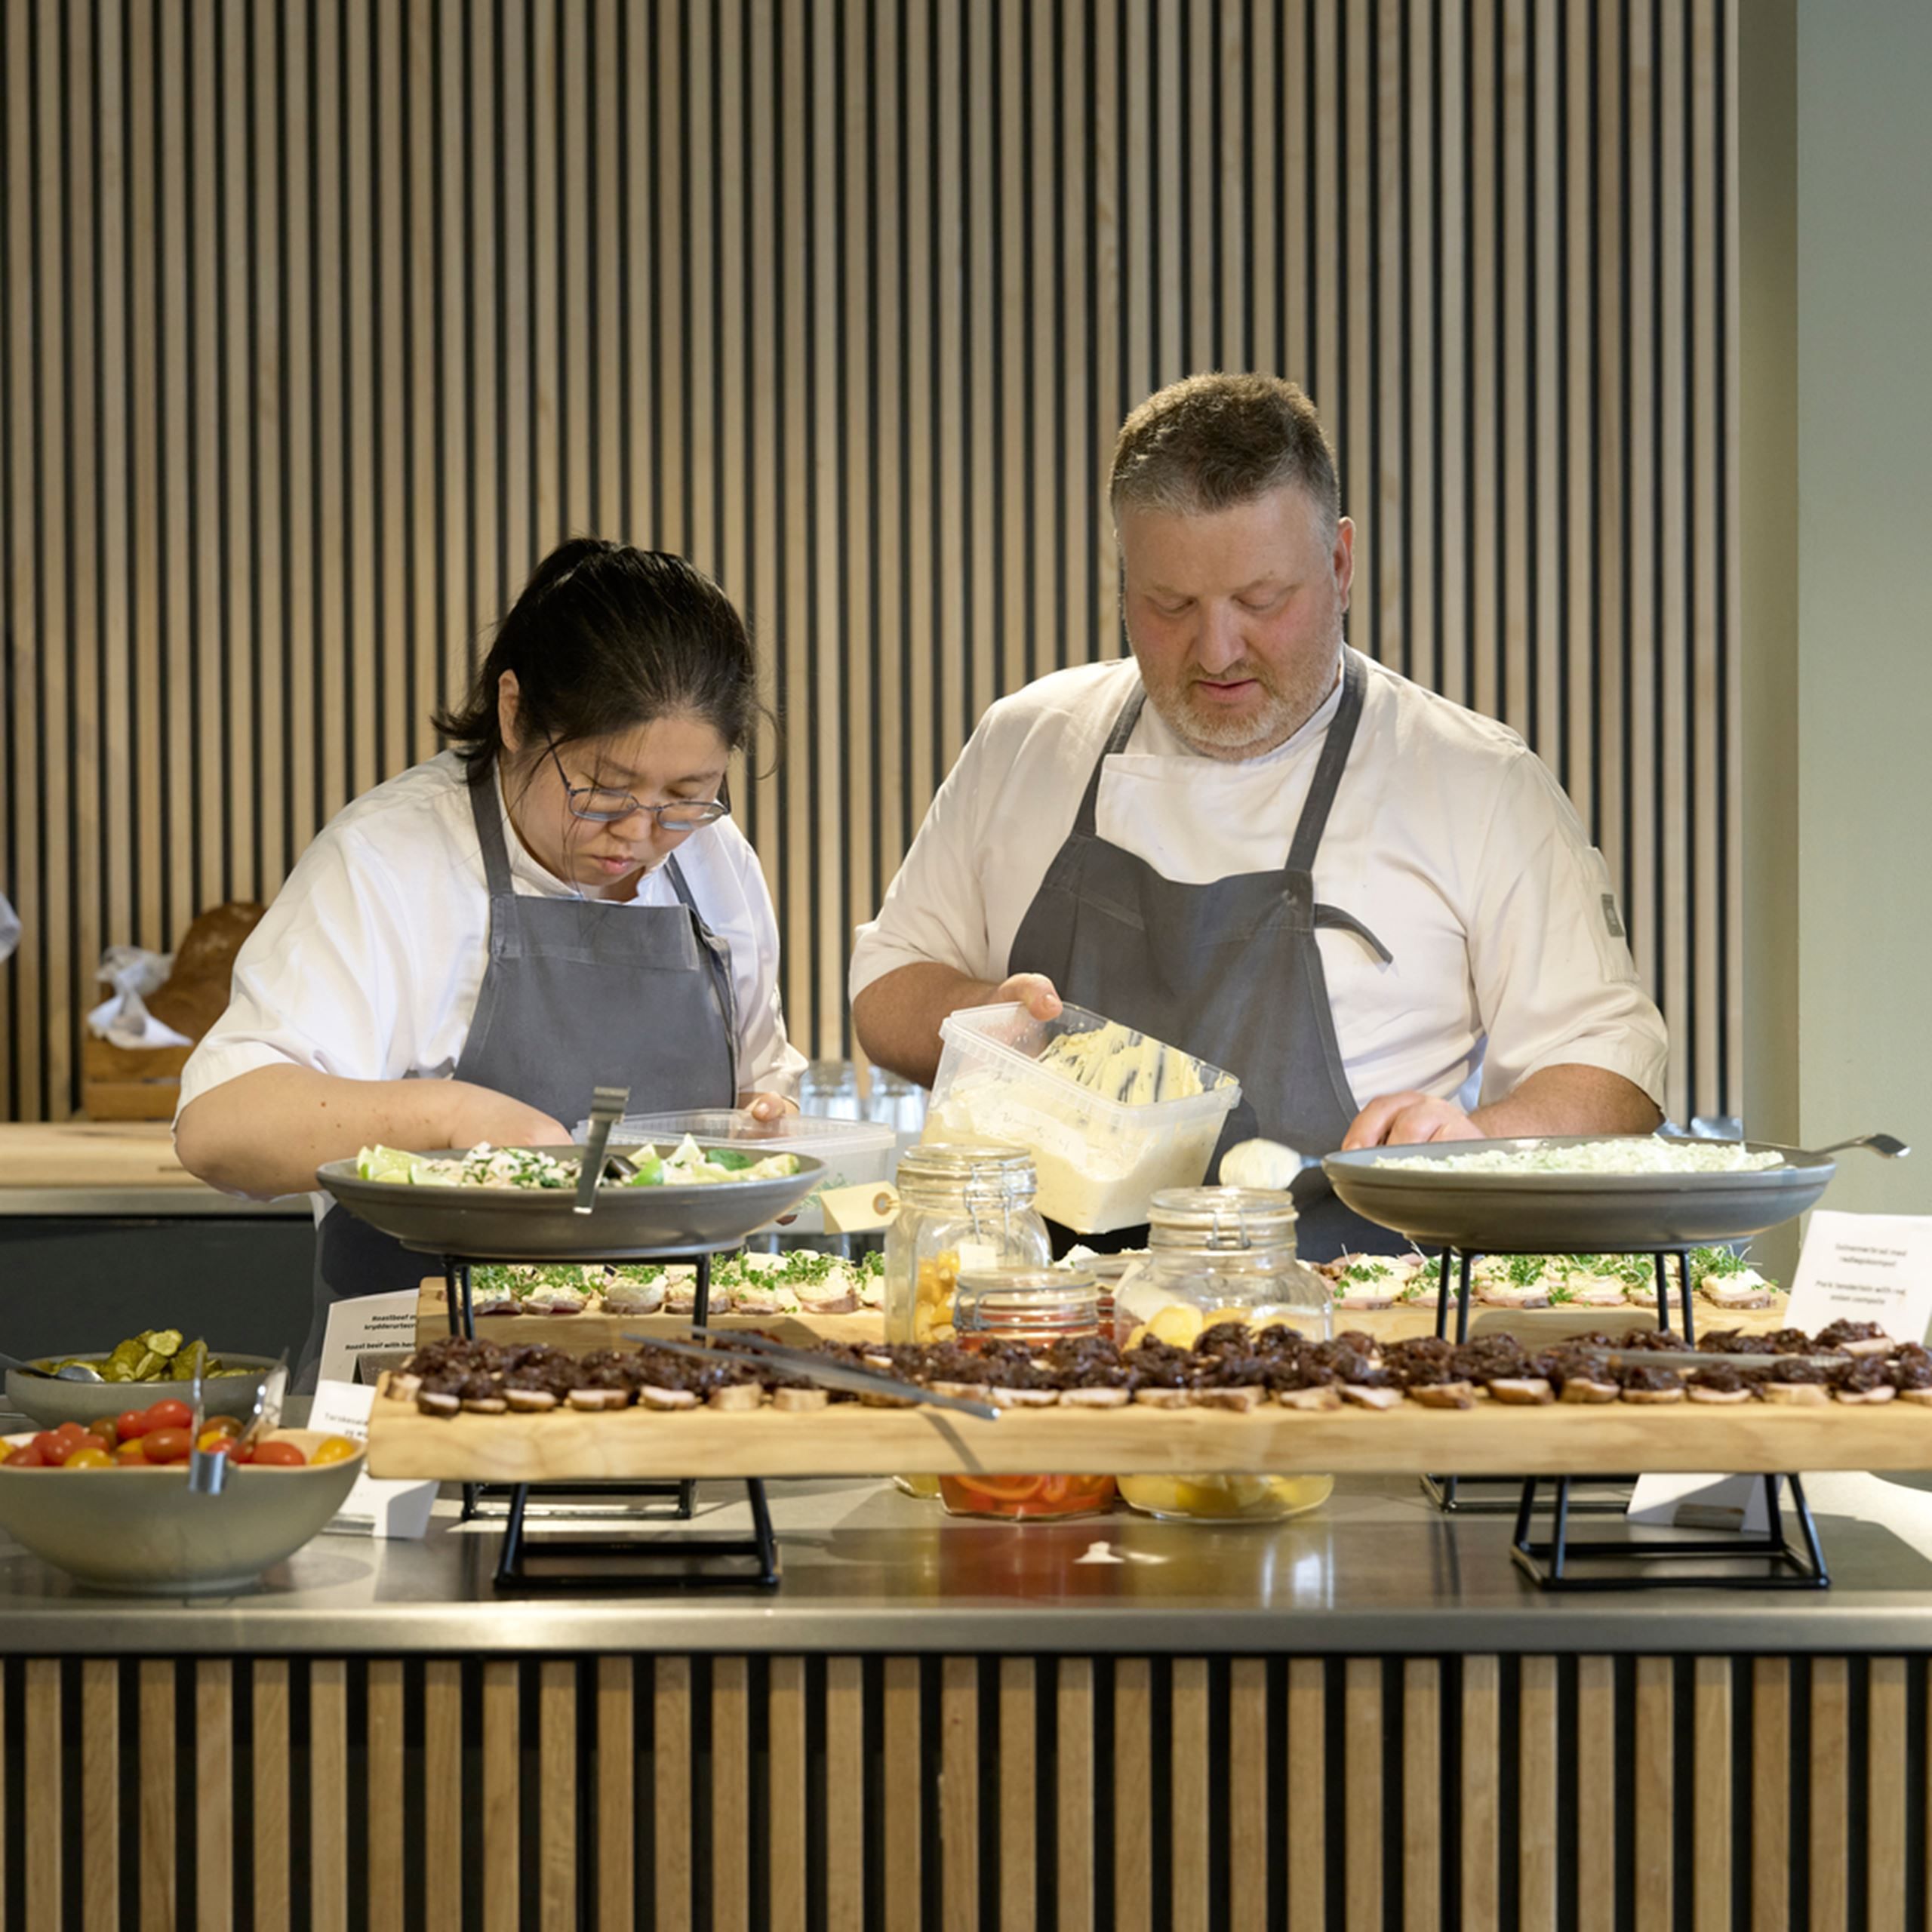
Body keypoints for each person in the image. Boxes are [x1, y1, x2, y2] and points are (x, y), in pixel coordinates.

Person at [850, 373, 1666, 1257]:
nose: (1217, 650)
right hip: (1047, 1306)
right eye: (1169, 605)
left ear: (1340, 564)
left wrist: (1473, 1141)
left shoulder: (1476, 781)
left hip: (1356, 1311)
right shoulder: (1030, 740)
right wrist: (984, 1019)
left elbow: (1613, 1072)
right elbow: (888, 987)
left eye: (1260, 601)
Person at [176, 538, 804, 1375]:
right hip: (424, 1371)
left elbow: (759, 1085)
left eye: (686, 797)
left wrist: (762, 1129)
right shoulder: (391, 859)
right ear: (513, 713)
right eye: (603, 788)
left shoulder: (715, 864)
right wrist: (452, 1118)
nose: (639, 832)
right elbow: (219, 1127)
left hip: (675, 1368)